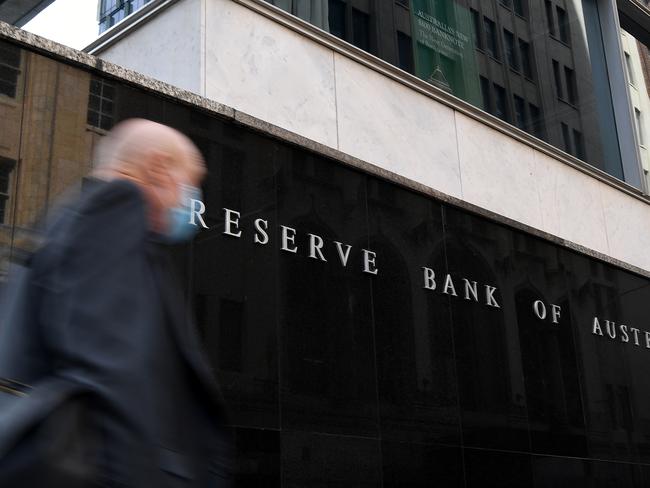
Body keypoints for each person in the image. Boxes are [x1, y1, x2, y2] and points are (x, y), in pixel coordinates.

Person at [0, 119, 232, 487]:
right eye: (191, 183)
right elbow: (114, 385)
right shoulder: (116, 208)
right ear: (157, 168)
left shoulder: (67, 222)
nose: (191, 199)